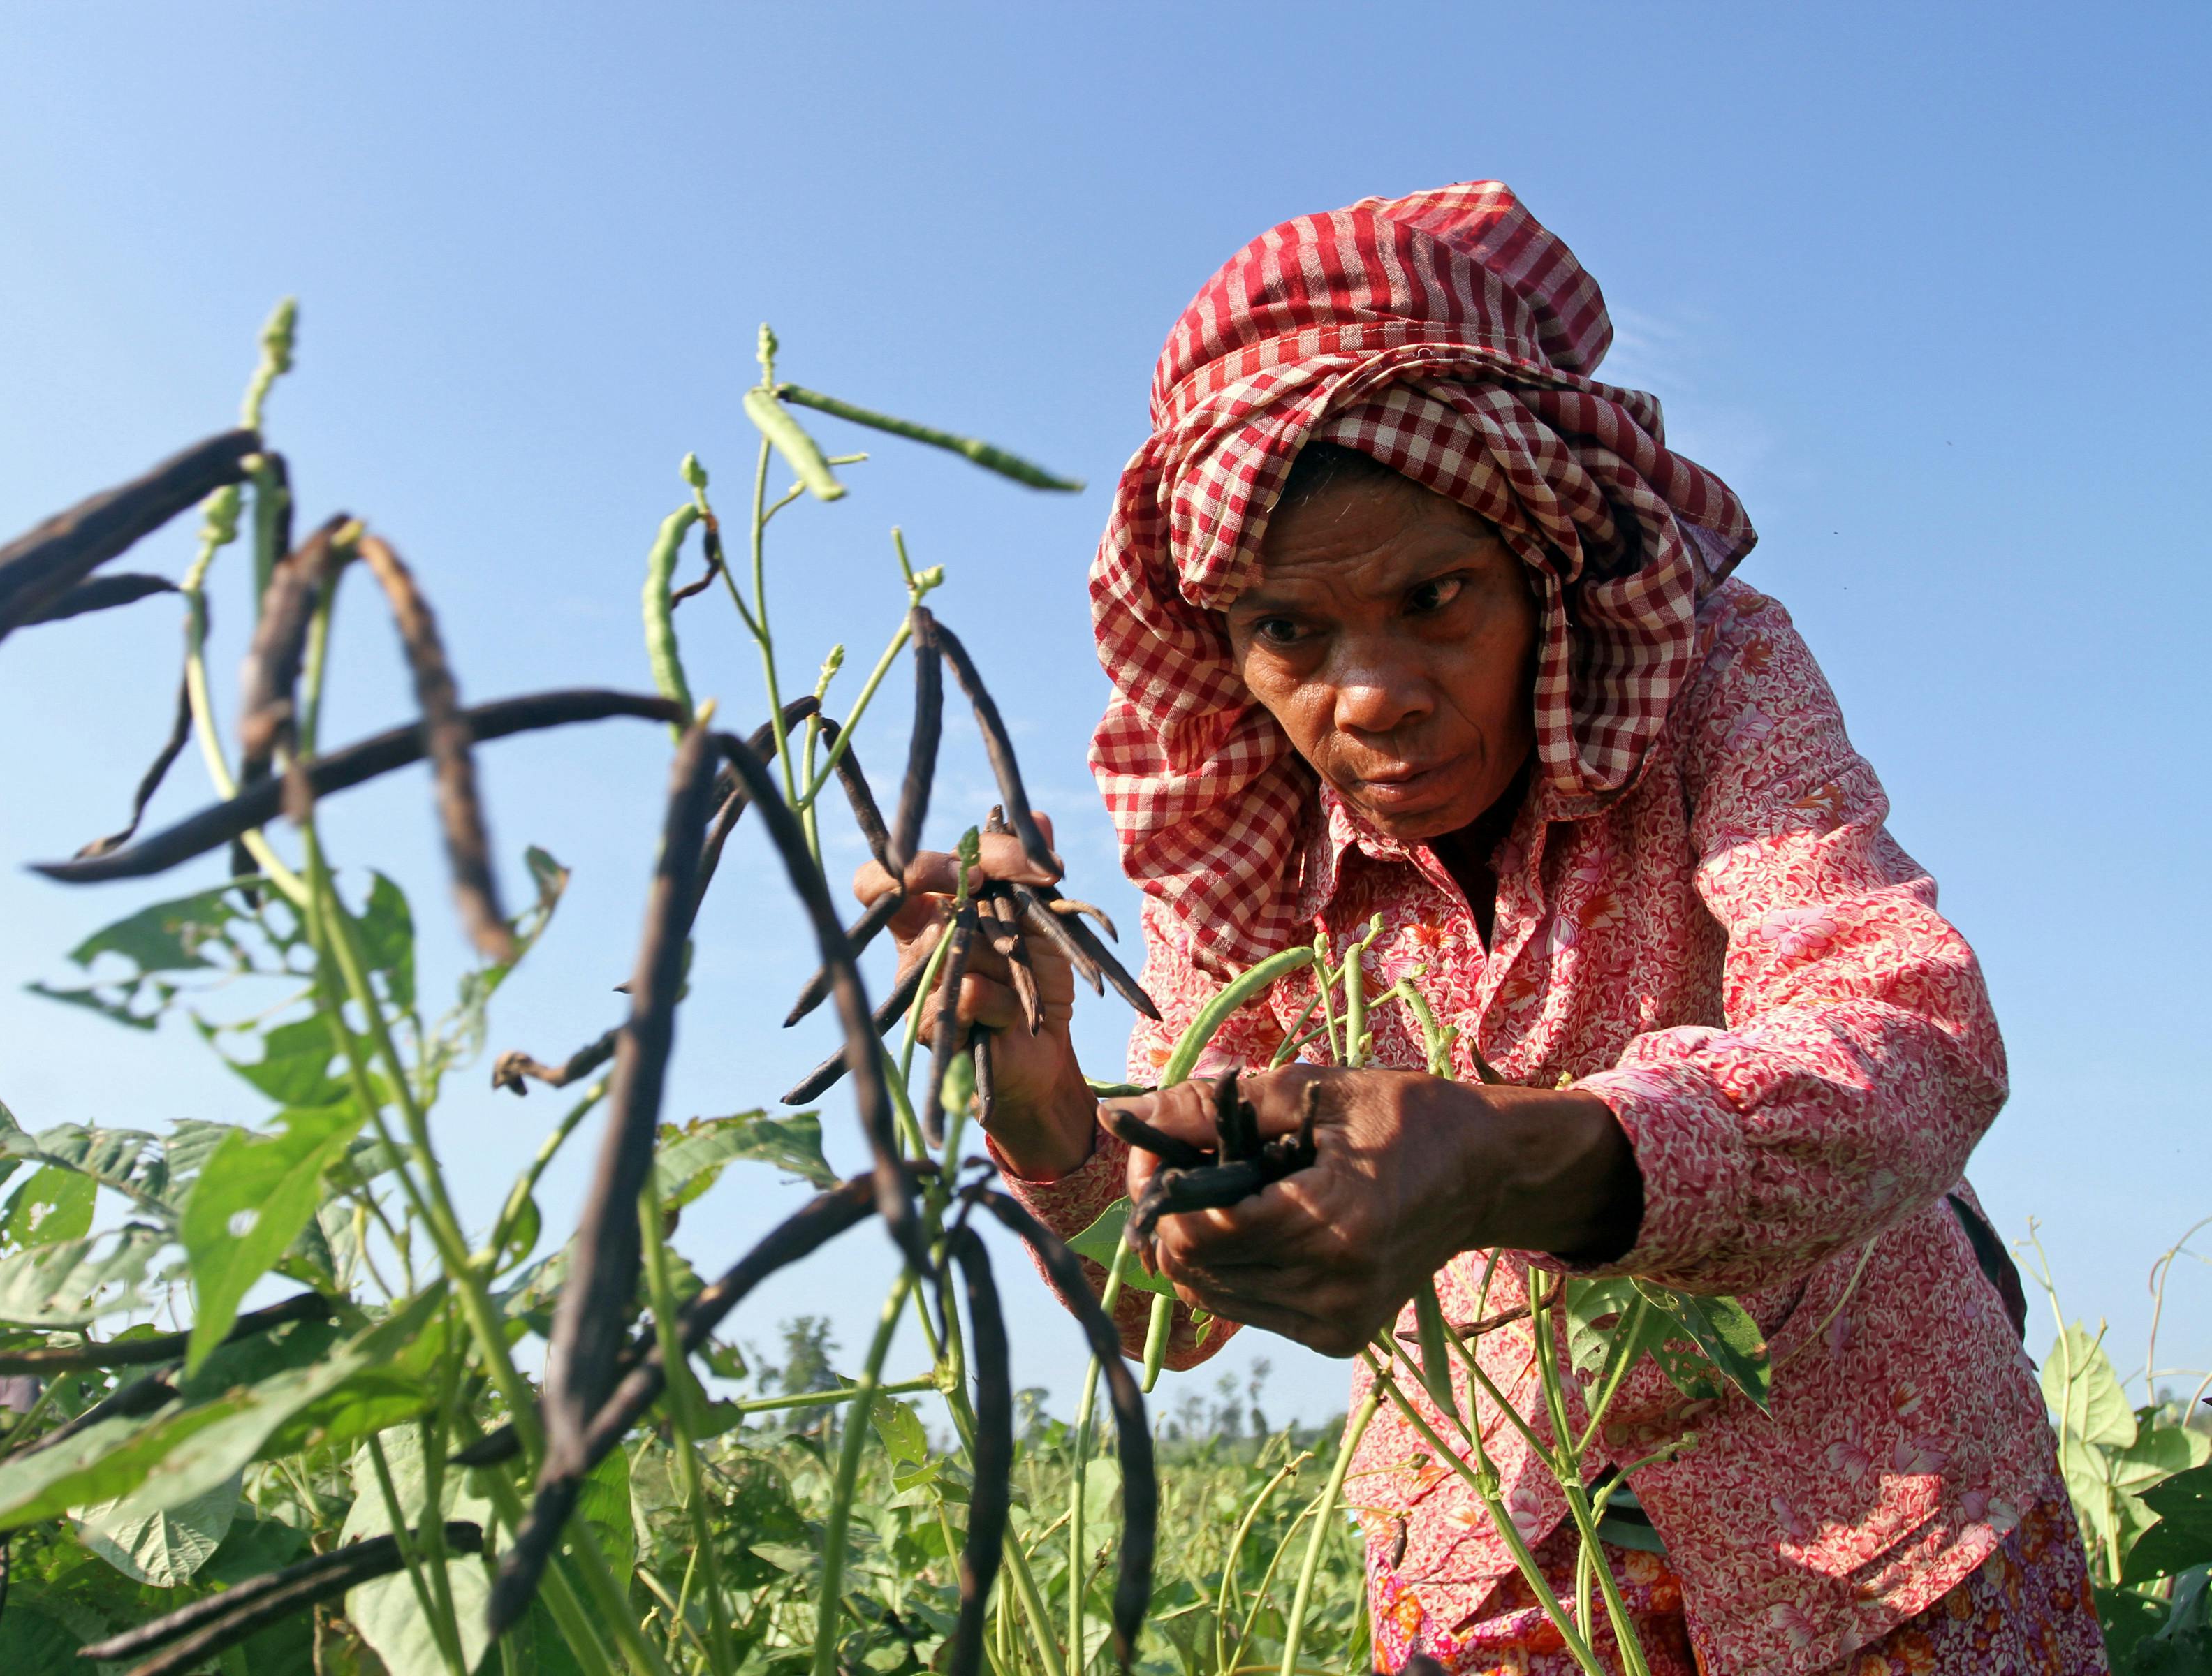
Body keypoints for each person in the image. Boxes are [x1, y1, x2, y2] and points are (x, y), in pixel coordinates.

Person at [855, 184, 2104, 1675]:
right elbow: (1168, 1317)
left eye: (1435, 599)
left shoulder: (1714, 689)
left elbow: (1911, 1033)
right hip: (1499, 1591)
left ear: (1543, 564)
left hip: (1880, 1545)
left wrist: (1506, 1157)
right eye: (1289, 635)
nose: (1366, 694)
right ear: (1228, 643)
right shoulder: (1241, 851)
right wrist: (1045, 1093)